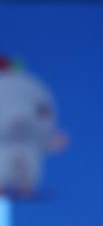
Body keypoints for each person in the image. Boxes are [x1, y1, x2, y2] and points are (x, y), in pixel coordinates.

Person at [0, 56, 67, 197]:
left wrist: (49, 139)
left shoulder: (31, 89)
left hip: (28, 141)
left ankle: (26, 188)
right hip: (4, 142)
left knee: (29, 164)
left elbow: (44, 112)